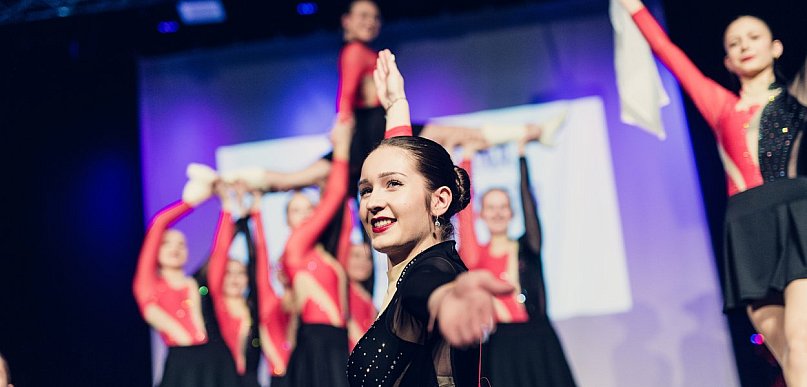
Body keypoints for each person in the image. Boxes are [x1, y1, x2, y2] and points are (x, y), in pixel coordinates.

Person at [618, 0, 807, 384]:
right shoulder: (721, 106)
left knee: (800, 338)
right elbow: (668, 53)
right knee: (785, 351)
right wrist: (634, 7)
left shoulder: (798, 97)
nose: (744, 46)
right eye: (734, 43)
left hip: (798, 220)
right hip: (749, 230)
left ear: (776, 47)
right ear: (727, 62)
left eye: (753, 37)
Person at [346, 49, 515, 387]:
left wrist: (444, 299)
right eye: (366, 190)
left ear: (439, 201)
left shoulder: (430, 269)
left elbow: (427, 287)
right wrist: (396, 106)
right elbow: (404, 165)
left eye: (392, 184)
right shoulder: (414, 261)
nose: (374, 202)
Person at [457, 133, 577, 386]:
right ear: (482, 214)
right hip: (503, 345)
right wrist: (467, 159)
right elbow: (464, 217)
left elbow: (529, 206)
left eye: (503, 206)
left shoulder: (526, 247)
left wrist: (521, 156)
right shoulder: (476, 255)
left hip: (538, 338)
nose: (498, 213)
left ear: (511, 212)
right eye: (491, 207)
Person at [132, 165, 241, 387]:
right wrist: (193, 201)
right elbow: (159, 223)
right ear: (156, 251)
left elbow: (220, 252)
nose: (175, 248)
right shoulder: (148, 285)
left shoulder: (200, 283)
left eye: (181, 244)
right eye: (167, 243)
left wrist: (226, 205)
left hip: (217, 361)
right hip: (183, 364)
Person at [280, 120, 353, 387]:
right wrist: (342, 148)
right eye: (296, 210)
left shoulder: (325, 255)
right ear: (287, 221)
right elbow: (334, 197)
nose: (306, 216)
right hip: (316, 341)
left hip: (337, 338)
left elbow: (343, 216)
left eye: (309, 209)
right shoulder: (295, 249)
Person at [345, 241, 377, 350]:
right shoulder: (343, 294)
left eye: (368, 258)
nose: (363, 262)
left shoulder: (367, 298)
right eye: (356, 256)